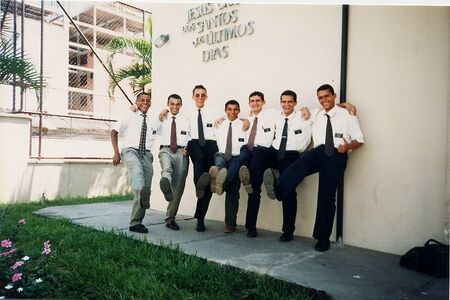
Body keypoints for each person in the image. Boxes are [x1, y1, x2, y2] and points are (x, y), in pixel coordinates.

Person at [264, 84, 364, 251]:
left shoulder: (347, 115)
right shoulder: (316, 113)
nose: (324, 100)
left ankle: (322, 238)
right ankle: (279, 188)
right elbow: (301, 111)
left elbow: (359, 140)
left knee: (326, 196)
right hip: (318, 152)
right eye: (321, 97)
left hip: (336, 157)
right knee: (298, 166)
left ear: (334, 95)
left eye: (327, 96)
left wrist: (347, 147)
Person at [240, 90, 312, 238]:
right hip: (274, 151)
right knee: (259, 157)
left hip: (291, 155)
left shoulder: (305, 115)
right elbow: (251, 116)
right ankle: (251, 226)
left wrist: (346, 105)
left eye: (290, 102)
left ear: (295, 103)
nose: (286, 105)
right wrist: (243, 120)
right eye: (283, 102)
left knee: (288, 189)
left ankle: (288, 231)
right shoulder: (274, 115)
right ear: (280, 103)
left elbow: (329, 108)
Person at [110, 92, 158, 233]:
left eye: (148, 100)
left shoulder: (153, 119)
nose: (145, 102)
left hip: (147, 155)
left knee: (146, 187)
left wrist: (165, 112)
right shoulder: (128, 114)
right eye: (142, 100)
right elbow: (114, 132)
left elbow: (166, 126)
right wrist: (116, 153)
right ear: (136, 102)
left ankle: (135, 223)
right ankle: (141, 194)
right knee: (137, 174)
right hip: (130, 151)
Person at [185, 85, 223, 232]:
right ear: (193, 96)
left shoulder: (214, 110)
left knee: (207, 184)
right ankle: (199, 185)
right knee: (199, 164)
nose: (200, 97)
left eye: (203, 95)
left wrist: (222, 119)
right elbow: (171, 114)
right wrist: (163, 111)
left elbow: (228, 117)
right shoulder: (186, 111)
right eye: (197, 95)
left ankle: (200, 219)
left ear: (206, 97)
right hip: (194, 143)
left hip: (211, 144)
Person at [209, 100, 248, 233]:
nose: (232, 112)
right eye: (229, 109)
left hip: (236, 158)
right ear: (225, 111)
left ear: (239, 110)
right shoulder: (219, 124)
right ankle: (217, 175)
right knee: (219, 164)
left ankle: (230, 223)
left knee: (233, 189)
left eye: (235, 109)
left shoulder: (244, 125)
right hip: (221, 154)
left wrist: (245, 120)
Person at [157, 94, 190, 231]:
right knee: (167, 169)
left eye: (177, 104)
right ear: (168, 104)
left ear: (181, 105)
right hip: (166, 150)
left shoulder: (186, 120)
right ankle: (165, 182)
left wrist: (188, 149)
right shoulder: (161, 118)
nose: (175, 106)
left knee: (178, 187)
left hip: (181, 152)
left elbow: (191, 137)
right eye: (172, 104)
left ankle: (170, 218)